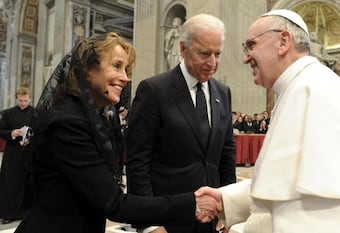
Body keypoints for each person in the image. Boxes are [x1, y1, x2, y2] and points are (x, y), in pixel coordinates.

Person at [195, 9, 340, 233]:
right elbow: (290, 184)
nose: (246, 57)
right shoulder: (303, 87)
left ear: (283, 41)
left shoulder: (312, 92)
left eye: (251, 45)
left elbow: (317, 214)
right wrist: (226, 200)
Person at [13, 32, 218, 233]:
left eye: (126, 69)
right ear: (88, 70)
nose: (125, 78)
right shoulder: (69, 122)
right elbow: (114, 203)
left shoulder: (92, 117)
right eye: (117, 66)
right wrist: (192, 203)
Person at [127, 14, 236, 233]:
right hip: (167, 221)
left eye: (218, 54)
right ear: (183, 48)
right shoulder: (154, 90)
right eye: (204, 53)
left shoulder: (222, 93)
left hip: (210, 221)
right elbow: (138, 161)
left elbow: (226, 155)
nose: (212, 62)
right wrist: (149, 224)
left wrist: (229, 211)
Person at [0, 86, 37, 224]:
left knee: (28, 183)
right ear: (16, 98)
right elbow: (1, 130)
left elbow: (40, 131)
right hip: (13, 153)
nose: (23, 103)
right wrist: (11, 133)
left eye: (26, 101)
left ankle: (25, 213)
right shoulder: (8, 114)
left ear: (30, 99)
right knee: (11, 183)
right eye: (21, 100)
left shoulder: (35, 113)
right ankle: (9, 213)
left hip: (29, 153)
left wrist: (30, 138)